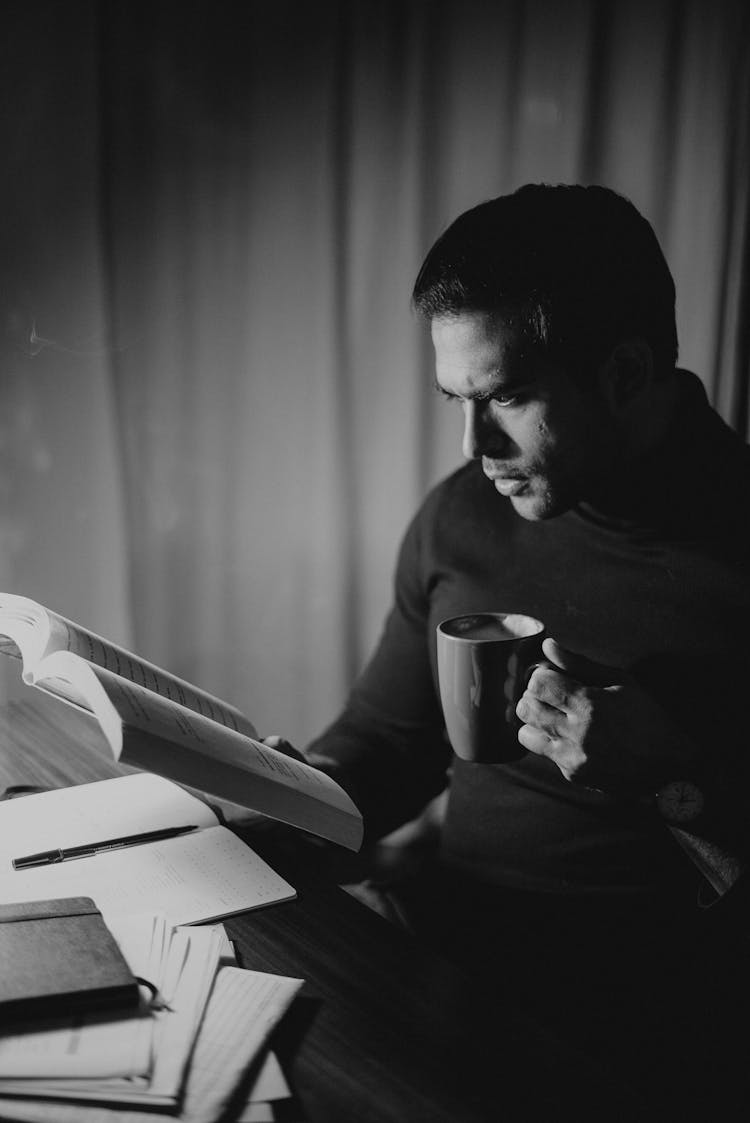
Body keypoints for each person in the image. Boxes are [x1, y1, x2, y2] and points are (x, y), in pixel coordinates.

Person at [271, 184, 750, 1110]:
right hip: (441, 961)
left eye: (510, 398)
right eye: (455, 399)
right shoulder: (463, 516)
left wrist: (669, 779)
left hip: (646, 1035)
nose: (474, 444)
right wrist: (294, 789)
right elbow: (387, 740)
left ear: (624, 372)